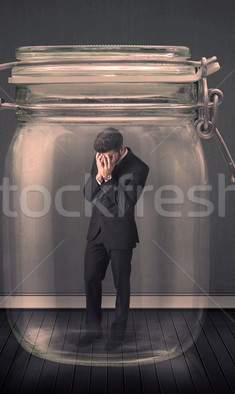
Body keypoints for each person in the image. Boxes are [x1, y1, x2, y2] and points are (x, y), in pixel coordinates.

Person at [78, 127, 150, 351]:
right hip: (97, 230)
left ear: (121, 149)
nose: (103, 160)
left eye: (108, 156)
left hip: (120, 234)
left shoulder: (139, 168)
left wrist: (108, 178)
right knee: (90, 279)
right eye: (100, 156)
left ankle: (117, 336)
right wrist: (99, 175)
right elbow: (89, 194)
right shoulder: (99, 158)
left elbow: (125, 205)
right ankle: (93, 330)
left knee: (121, 286)